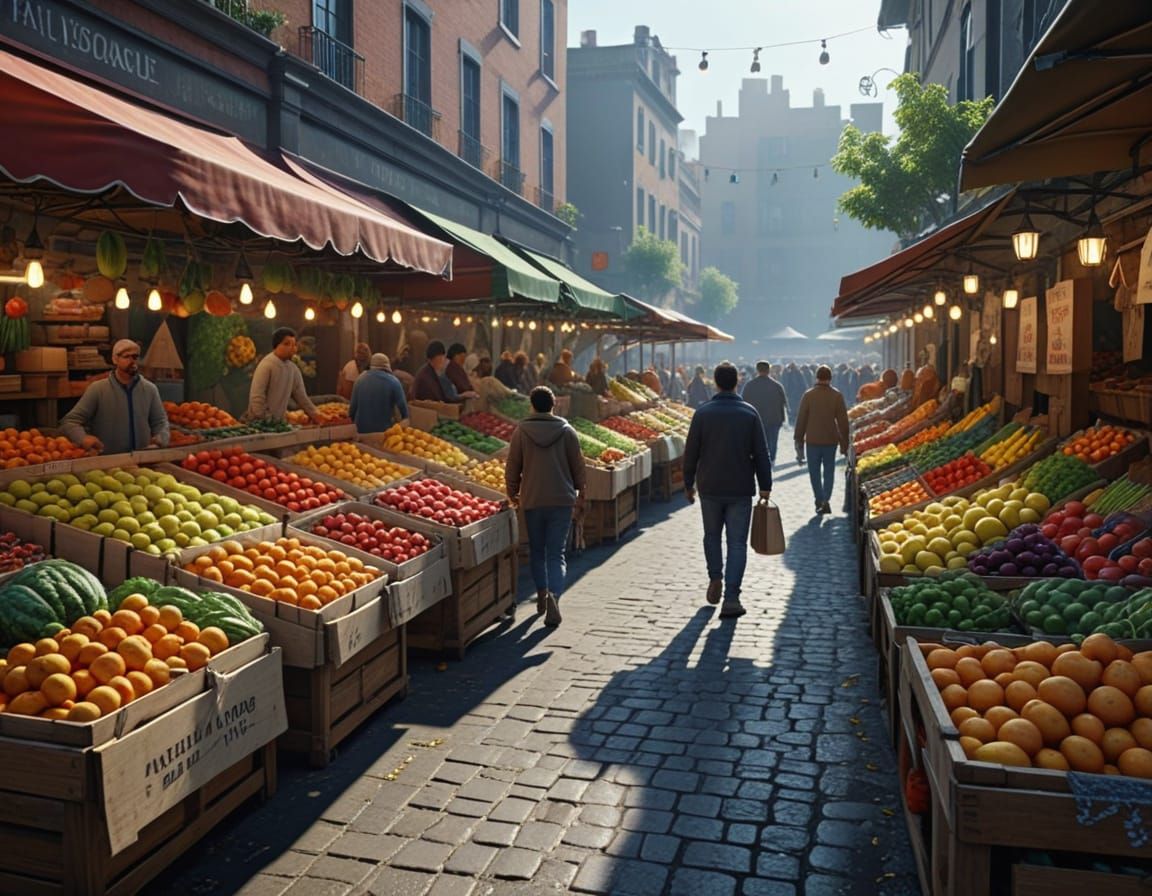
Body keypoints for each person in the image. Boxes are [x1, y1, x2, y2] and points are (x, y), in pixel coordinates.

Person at [683, 362, 773, 620]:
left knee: (711, 536)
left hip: (710, 486)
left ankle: (715, 577)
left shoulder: (703, 413)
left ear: (715, 382)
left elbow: (691, 453)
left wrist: (688, 484)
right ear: (736, 382)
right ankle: (732, 597)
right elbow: (761, 453)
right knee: (736, 544)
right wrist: (765, 485)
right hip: (740, 487)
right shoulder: (749, 413)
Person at [505, 386, 586, 628]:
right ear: (553, 405)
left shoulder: (521, 432)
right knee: (556, 553)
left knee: (537, 552)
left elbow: (513, 467)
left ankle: (541, 595)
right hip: (561, 500)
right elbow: (578, 468)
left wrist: (513, 492)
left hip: (533, 500)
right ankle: (554, 596)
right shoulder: (567, 432)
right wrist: (582, 493)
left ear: (532, 405)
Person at [59, 339, 170, 455]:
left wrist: (160, 439)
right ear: (115, 359)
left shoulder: (149, 389)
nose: (132, 361)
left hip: (141, 461)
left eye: (135, 357)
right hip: (107, 462)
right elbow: (70, 421)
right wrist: (83, 438)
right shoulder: (98, 389)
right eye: (127, 357)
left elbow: (161, 421)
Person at [794, 364, 851, 515]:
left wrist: (798, 439)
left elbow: (801, 419)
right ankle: (826, 499)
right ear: (830, 378)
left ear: (816, 377)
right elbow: (843, 422)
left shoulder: (808, 395)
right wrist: (845, 442)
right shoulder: (837, 395)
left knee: (814, 472)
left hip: (812, 440)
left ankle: (819, 499)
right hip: (830, 439)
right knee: (829, 471)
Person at [245, 327, 321, 423]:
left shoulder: (293, 368)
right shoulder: (266, 365)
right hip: (259, 423)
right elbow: (257, 396)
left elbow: (301, 396)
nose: (292, 348)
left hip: (278, 422)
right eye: (287, 344)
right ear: (276, 346)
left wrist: (316, 414)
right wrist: (265, 418)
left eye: (294, 345)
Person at [741, 360, 789, 467]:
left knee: (758, 441)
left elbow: (743, 402)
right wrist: (783, 418)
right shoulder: (777, 385)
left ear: (757, 370)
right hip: (774, 418)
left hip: (756, 419)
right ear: (769, 370)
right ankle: (771, 460)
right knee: (773, 441)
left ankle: (759, 459)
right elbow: (784, 403)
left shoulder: (749, 385)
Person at [349, 353, 409, 433]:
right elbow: (405, 414)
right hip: (383, 435)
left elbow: (352, 411)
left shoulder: (359, 380)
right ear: (387, 367)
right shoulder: (394, 382)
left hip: (361, 433)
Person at [412, 340, 476, 403]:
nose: (442, 362)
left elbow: (447, 396)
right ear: (429, 360)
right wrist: (462, 396)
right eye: (438, 360)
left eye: (442, 359)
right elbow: (439, 400)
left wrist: (463, 395)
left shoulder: (438, 372)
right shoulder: (425, 377)